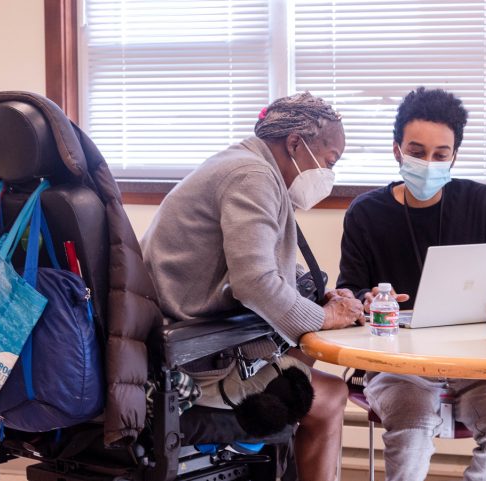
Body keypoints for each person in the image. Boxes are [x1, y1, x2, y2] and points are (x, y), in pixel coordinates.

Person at [141, 92, 364, 480]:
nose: (330, 174)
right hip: (189, 364)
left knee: (304, 358)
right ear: (296, 143)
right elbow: (256, 282)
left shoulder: (242, 164)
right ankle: (249, 440)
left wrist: (320, 296)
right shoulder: (253, 177)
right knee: (331, 396)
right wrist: (324, 318)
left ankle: (255, 447)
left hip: (180, 341)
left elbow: (257, 260)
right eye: (330, 161)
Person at [337, 87, 486, 481]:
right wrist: (368, 300)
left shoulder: (480, 202)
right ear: (397, 150)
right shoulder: (366, 213)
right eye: (416, 152)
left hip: (481, 365)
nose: (427, 163)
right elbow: (351, 288)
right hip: (400, 366)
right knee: (411, 432)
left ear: (454, 156)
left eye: (439, 155)